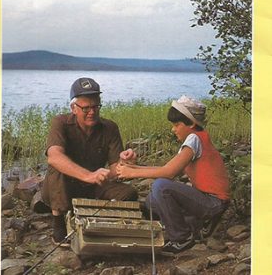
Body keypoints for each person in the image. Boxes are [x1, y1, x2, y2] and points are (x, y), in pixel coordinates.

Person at [117, 95, 230, 255]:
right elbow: (167, 168)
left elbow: (169, 173)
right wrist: (134, 167)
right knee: (152, 200)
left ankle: (182, 238)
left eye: (177, 124)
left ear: (191, 124)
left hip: (214, 202)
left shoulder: (194, 139)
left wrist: (132, 173)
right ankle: (195, 224)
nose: (173, 129)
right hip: (205, 199)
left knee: (161, 186)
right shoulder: (194, 140)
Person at [42, 77, 138, 247]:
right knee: (56, 167)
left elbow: (116, 170)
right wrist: (88, 175)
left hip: (95, 186)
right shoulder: (60, 123)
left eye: (95, 107)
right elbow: (54, 156)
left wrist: (126, 162)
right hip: (65, 185)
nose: (92, 112)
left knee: (129, 193)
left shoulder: (110, 127)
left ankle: (96, 219)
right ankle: (58, 222)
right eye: (86, 108)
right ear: (74, 108)